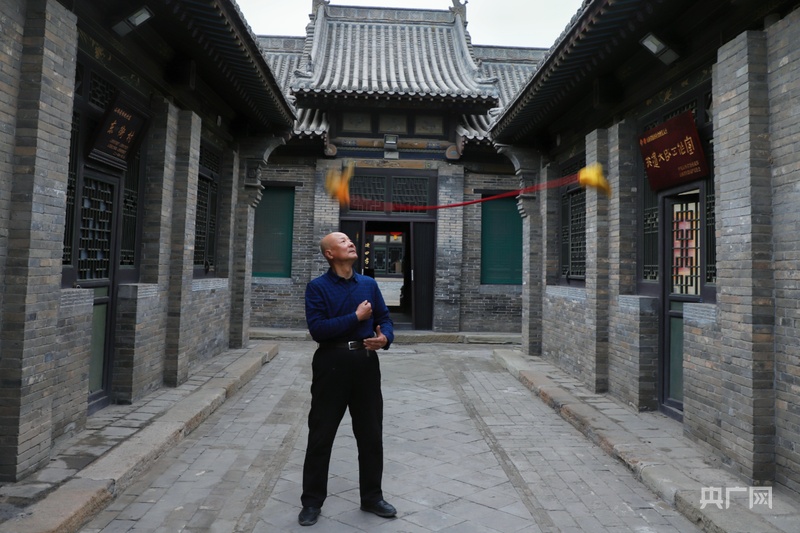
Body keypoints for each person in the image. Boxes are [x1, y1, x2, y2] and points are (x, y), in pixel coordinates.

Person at [298, 232, 396, 527]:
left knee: (371, 434)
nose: (350, 243)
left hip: (366, 364)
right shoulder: (318, 287)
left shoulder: (368, 285)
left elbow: (385, 318)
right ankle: (312, 502)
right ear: (329, 254)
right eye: (342, 241)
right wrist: (355, 317)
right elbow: (318, 329)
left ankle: (372, 497)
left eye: (349, 241)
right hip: (331, 364)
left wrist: (385, 338)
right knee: (321, 435)